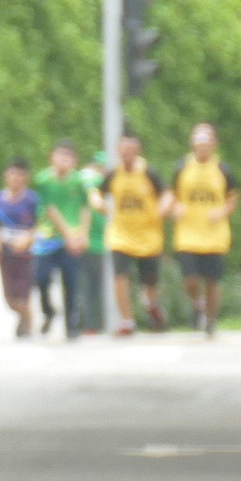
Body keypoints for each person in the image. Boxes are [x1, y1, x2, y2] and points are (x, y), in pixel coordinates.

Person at [165, 122, 239, 338]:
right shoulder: (182, 167)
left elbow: (233, 198)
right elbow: (172, 194)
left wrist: (222, 211)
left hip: (214, 233)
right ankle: (198, 303)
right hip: (188, 232)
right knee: (190, 279)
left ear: (214, 144)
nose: (202, 146)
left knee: (213, 280)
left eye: (207, 142)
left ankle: (211, 320)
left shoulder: (222, 170)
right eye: (199, 141)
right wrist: (174, 207)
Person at [102, 135, 167, 334]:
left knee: (149, 282)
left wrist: (162, 209)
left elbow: (166, 193)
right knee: (120, 277)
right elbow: (98, 192)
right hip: (121, 235)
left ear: (138, 150)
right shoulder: (114, 173)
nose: (127, 153)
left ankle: (152, 306)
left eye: (131, 149)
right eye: (123, 149)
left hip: (148, 235)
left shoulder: (148, 172)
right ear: (118, 150)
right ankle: (127, 322)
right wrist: (99, 203)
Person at [32, 140, 93, 341]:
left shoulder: (79, 181)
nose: (63, 161)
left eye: (68, 158)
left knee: (71, 281)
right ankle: (48, 310)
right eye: (60, 156)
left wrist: (82, 235)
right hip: (49, 236)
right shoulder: (44, 180)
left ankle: (71, 324)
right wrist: (69, 236)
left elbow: (85, 208)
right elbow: (50, 209)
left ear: (74, 161)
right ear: (52, 157)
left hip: (73, 237)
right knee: (41, 277)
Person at [0, 157, 42, 337]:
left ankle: (28, 324)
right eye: (12, 174)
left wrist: (27, 240)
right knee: (10, 298)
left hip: (25, 254)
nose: (15, 178)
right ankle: (23, 318)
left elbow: (37, 225)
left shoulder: (31, 200)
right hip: (5, 252)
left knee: (24, 294)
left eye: (19, 175)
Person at [78, 151, 111, 336]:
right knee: (94, 287)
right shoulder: (95, 180)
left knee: (86, 286)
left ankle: (87, 323)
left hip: (89, 240)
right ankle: (92, 324)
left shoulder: (81, 178)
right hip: (95, 241)